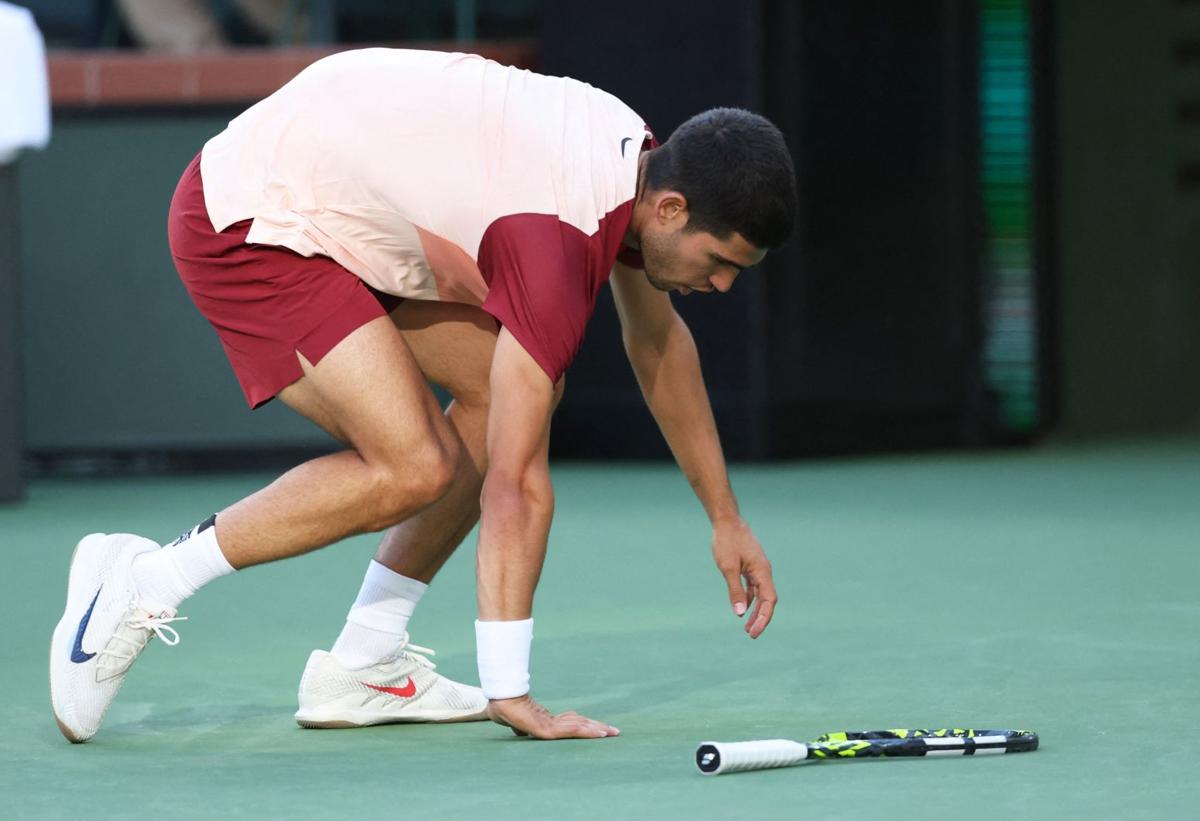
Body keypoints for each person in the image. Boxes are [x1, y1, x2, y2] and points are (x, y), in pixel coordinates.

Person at [49, 47, 797, 743]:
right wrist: (511, 691)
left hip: (344, 200)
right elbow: (515, 487)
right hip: (251, 218)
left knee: (496, 392)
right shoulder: (559, 236)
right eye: (722, 260)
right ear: (671, 210)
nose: (725, 286)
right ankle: (143, 582)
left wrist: (725, 518)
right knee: (413, 466)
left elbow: (657, 342)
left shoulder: (635, 161)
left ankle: (366, 663)